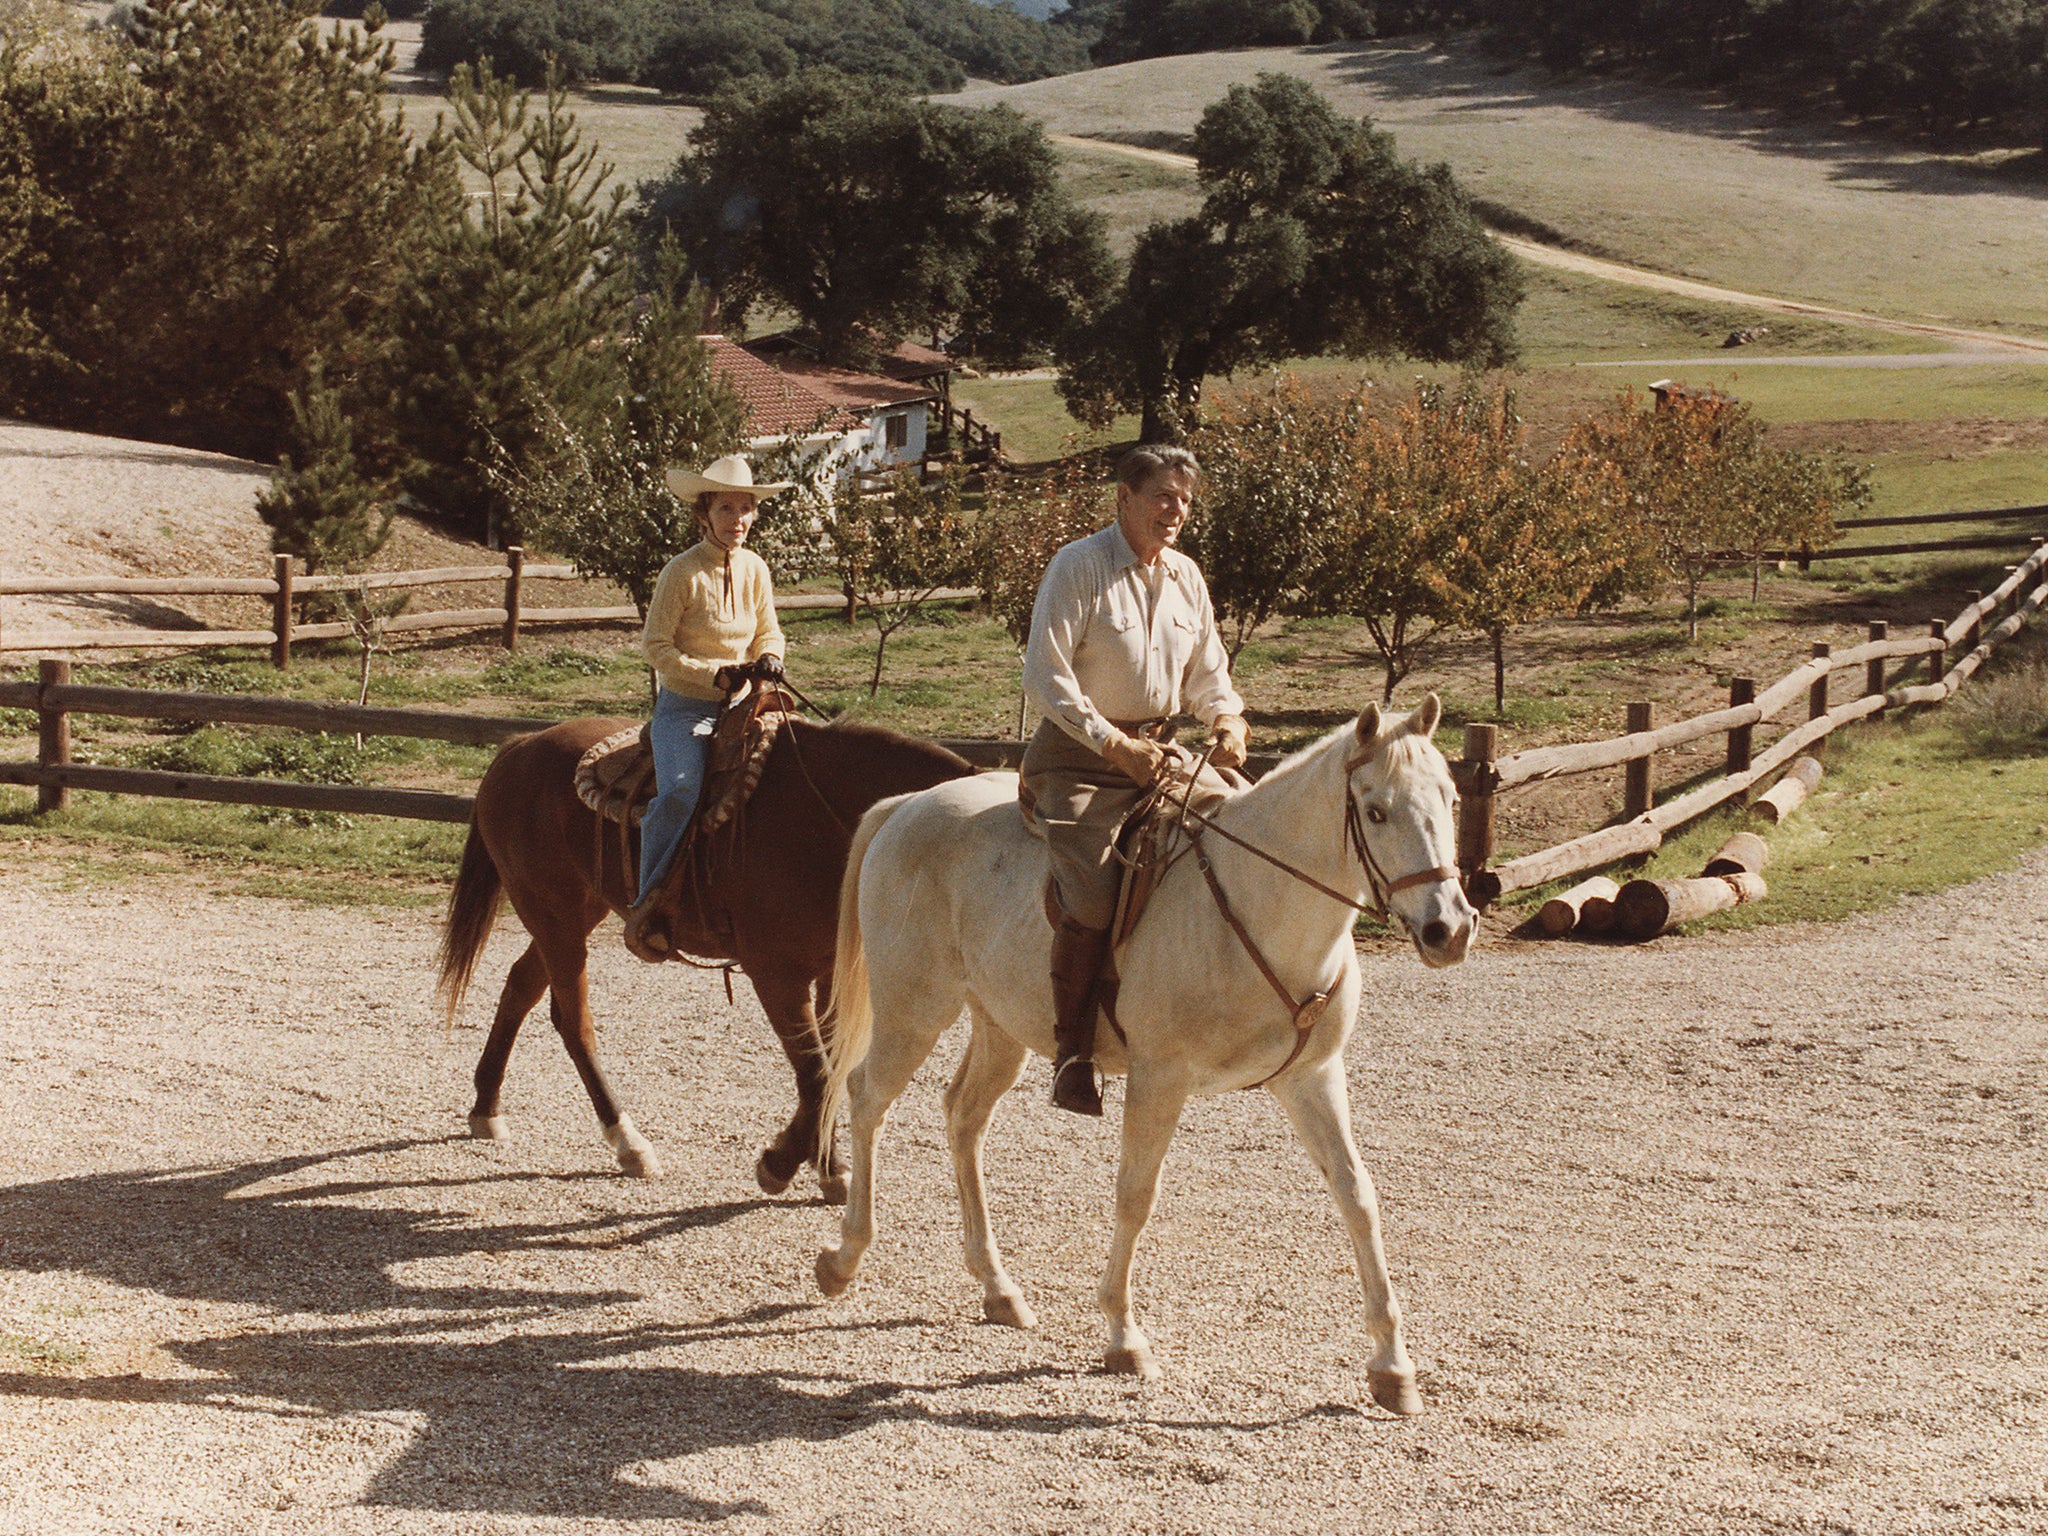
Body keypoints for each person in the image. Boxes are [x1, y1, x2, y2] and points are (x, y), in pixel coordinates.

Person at [1020, 444, 1250, 1115]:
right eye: (1161, 496)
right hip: (1079, 761)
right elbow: (1048, 675)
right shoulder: (1079, 565)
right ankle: (1073, 1054)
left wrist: (1227, 719)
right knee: (1092, 892)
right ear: (1123, 497)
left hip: (1160, 754)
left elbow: (1209, 673)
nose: (1174, 511)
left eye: (1184, 499)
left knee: (1238, 840)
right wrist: (1110, 743)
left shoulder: (1185, 577)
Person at [625, 453, 792, 962]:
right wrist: (710, 673)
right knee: (679, 790)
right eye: (726, 508)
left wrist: (770, 655)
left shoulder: (756, 567)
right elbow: (655, 647)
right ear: (704, 514)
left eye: (745, 508)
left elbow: (769, 628)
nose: (737, 519)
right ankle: (649, 900)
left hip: (749, 701)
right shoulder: (681, 573)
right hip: (687, 708)